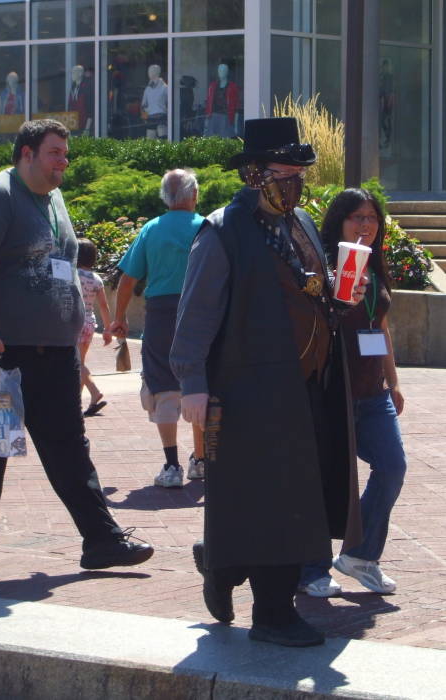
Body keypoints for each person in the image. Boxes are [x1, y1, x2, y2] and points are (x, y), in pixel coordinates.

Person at [170, 117, 365, 647]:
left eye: (299, 172)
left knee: (290, 497)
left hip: (305, 386)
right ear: (254, 174)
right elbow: (196, 314)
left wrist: (340, 299)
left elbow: (311, 294)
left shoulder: (300, 222)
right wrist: (191, 383)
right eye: (283, 172)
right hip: (249, 389)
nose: (294, 183)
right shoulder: (221, 231)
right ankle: (273, 615)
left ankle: (220, 562)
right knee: (271, 502)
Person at [0, 118, 154, 573]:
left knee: (68, 445)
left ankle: (102, 540)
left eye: (65, 152)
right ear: (27, 153)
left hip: (55, 352)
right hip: (1, 355)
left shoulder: (53, 197)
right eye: (55, 152)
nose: (64, 160)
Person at [298, 188, 406, 597]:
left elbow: (379, 327)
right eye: (356, 218)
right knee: (325, 477)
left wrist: (392, 381)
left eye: (372, 218)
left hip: (372, 390)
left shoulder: (375, 268)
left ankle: (360, 555)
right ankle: (311, 568)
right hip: (333, 390)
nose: (365, 225)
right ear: (338, 223)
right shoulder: (324, 268)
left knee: (392, 466)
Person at [110, 169, 206, 489]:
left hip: (161, 315)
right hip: (200, 313)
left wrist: (119, 317)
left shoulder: (151, 229)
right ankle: (201, 460)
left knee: (163, 384)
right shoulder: (207, 227)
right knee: (199, 382)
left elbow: (128, 278)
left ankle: (171, 465)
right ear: (193, 195)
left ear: (165, 197)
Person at [76, 237, 112, 417]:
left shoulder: (72, 274)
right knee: (80, 362)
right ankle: (79, 401)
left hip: (74, 322)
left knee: (76, 364)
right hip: (89, 323)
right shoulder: (96, 278)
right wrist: (107, 329)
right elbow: (104, 306)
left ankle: (94, 391)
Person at [204, 63, 239, 138]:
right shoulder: (212, 86)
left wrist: (235, 124)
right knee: (212, 139)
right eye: (219, 70)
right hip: (213, 116)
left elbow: (235, 105)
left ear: (227, 72)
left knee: (225, 138)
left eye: (223, 70)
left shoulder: (232, 87)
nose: (221, 72)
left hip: (226, 116)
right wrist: (207, 118)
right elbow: (209, 102)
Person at [141, 65, 168, 140]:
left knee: (163, 139)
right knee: (150, 141)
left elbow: (170, 104)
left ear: (157, 73)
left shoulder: (165, 88)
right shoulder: (148, 89)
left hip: (162, 118)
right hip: (150, 118)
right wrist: (144, 118)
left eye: (152, 71)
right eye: (149, 71)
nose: (149, 73)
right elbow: (143, 105)